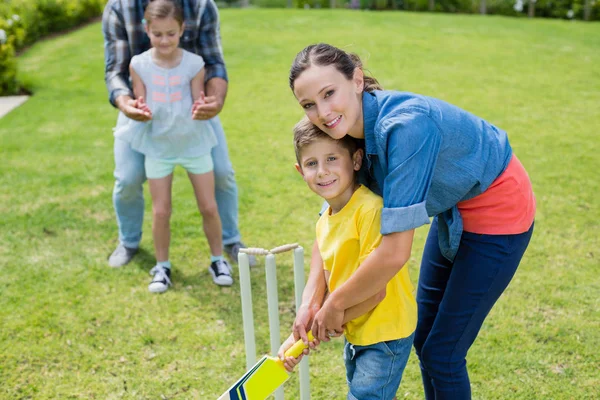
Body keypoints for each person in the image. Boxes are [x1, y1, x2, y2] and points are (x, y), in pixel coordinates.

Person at [287, 43, 536, 400]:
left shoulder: (406, 128)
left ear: (356, 80)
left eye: (329, 94)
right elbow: (331, 218)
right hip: (454, 204)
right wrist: (312, 298)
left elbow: (394, 254)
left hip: (499, 206)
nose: (323, 112)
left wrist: (335, 304)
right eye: (309, 104)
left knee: (443, 352)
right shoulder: (346, 138)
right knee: (425, 339)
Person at [102, 0, 257, 272]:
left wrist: (215, 101)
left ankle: (230, 241)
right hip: (140, 109)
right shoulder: (119, 8)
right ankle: (129, 241)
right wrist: (127, 104)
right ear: (147, 28)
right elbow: (115, 70)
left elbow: (214, 63)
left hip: (191, 111)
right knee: (127, 179)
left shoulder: (202, 6)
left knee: (222, 172)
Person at [277, 117, 417, 400]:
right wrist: (299, 335)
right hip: (357, 332)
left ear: (355, 160)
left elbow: (376, 291)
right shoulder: (325, 220)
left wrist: (325, 324)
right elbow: (330, 282)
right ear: (299, 170)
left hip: (385, 332)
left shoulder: (369, 210)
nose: (322, 171)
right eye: (312, 163)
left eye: (331, 158)